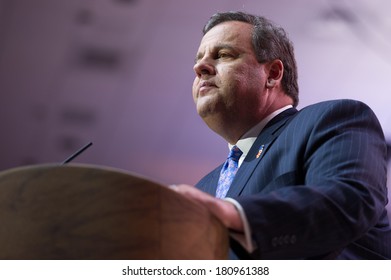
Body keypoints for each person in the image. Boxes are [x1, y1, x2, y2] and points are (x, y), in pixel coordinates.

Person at [171, 11, 391, 259]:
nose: (199, 67)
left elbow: (350, 199)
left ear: (273, 74)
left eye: (223, 55)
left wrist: (235, 215)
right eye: (199, 58)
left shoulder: (333, 120)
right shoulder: (204, 188)